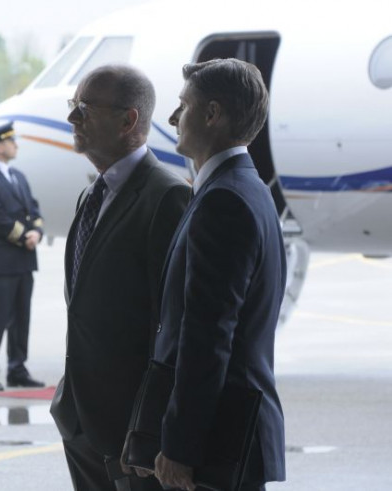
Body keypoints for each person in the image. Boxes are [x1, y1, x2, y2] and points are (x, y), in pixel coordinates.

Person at [49, 64, 191, 490]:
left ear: (128, 120)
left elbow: (170, 326)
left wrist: (150, 428)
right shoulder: (90, 195)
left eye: (85, 109)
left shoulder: (167, 197)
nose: (72, 118)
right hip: (80, 420)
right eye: (73, 106)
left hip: (132, 432)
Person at [148, 58, 287, 491]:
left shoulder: (223, 201)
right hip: (233, 433)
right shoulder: (248, 189)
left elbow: (207, 336)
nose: (173, 117)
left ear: (212, 114)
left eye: (183, 105)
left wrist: (181, 447)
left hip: (219, 442)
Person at [0, 122, 46, 391]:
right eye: (11, 142)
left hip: (25, 260)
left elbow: (34, 209)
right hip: (3, 260)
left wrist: (37, 231)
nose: (16, 146)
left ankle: (17, 369)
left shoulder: (18, 176)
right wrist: (24, 236)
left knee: (21, 317)